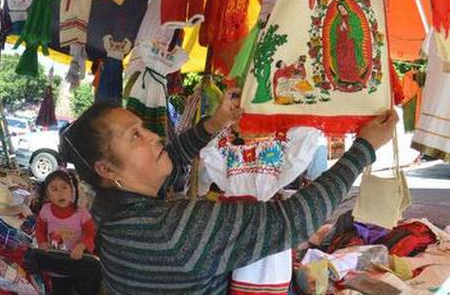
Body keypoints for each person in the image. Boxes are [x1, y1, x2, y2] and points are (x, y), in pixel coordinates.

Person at [64, 88, 395, 294]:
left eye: (143, 127)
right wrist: (363, 148)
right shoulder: (173, 232)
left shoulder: (110, 211)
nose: (154, 136)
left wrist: (215, 122)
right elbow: (295, 219)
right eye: (134, 135)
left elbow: (172, 157)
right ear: (106, 170)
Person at [33, 170, 101, 295]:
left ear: (72, 191)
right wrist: (42, 242)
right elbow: (40, 230)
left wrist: (82, 245)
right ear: (48, 194)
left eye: (64, 187)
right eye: (54, 189)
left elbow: (91, 232)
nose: (60, 193)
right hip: (57, 262)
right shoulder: (45, 210)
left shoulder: (81, 212)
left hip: (78, 261)